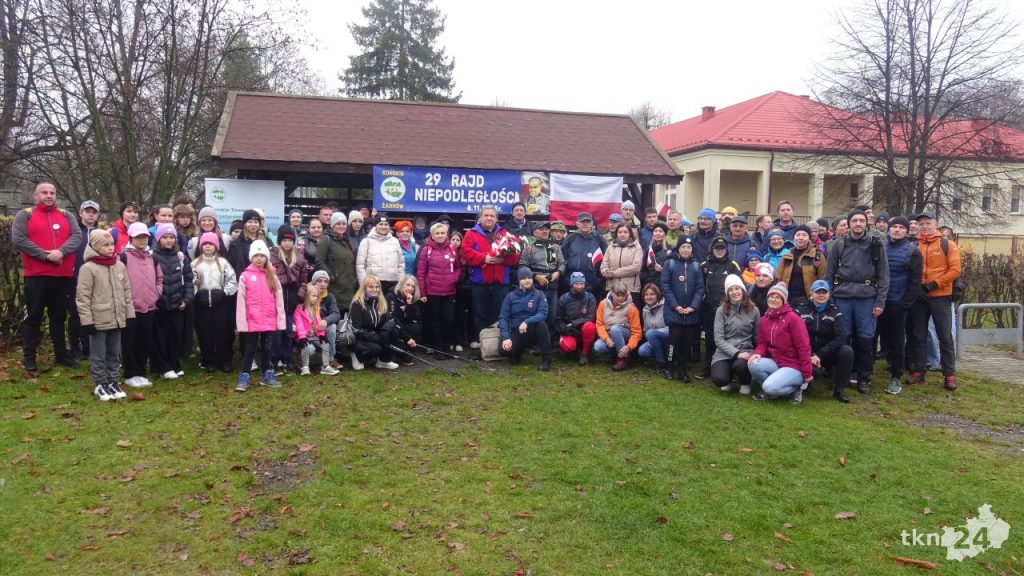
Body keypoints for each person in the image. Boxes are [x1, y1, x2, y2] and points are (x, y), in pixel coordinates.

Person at [12, 181, 83, 372]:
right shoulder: (25, 215)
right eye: (44, 192)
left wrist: (60, 252)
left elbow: (76, 237)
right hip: (36, 275)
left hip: (62, 275)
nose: (49, 196)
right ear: (35, 195)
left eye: (52, 192)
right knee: (33, 317)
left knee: (58, 317)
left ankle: (61, 355)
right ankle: (30, 358)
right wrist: (45, 255)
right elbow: (19, 239)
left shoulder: (66, 215)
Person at [826, 208, 889, 393]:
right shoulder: (838, 245)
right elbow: (829, 274)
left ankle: (864, 378)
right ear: (849, 224)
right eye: (854, 221)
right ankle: (842, 377)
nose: (858, 224)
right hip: (842, 298)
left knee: (865, 339)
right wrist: (830, 299)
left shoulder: (876, 244)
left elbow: (884, 275)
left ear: (866, 223)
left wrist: (880, 302)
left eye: (861, 220)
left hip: (867, 298)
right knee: (843, 339)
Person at [76, 230, 133, 401]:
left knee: (114, 352)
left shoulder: (119, 265)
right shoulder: (88, 268)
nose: (110, 248)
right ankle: (100, 383)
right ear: (95, 247)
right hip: (98, 319)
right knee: (99, 354)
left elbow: (126, 291)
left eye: (112, 244)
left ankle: (113, 381)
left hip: (117, 318)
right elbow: (83, 297)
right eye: (105, 245)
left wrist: (129, 314)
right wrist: (87, 321)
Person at [908, 211, 961, 390]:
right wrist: (917, 288)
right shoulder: (914, 245)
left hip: (941, 297)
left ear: (935, 224)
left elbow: (955, 270)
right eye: (921, 223)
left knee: (944, 336)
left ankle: (949, 375)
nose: (924, 226)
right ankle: (919, 371)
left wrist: (935, 284)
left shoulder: (948, 244)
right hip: (920, 298)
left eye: (927, 223)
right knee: (918, 335)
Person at [462, 206, 522, 346]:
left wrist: (503, 259)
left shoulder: (505, 234)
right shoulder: (471, 234)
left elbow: (515, 257)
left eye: (492, 216)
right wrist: (484, 258)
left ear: (496, 219)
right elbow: (466, 252)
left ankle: (499, 343)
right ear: (480, 218)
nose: (489, 218)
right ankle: (482, 343)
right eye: (486, 215)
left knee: (500, 313)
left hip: (500, 283)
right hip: (480, 283)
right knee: (479, 313)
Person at [877, 216, 922, 395]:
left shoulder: (912, 252)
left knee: (896, 340)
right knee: (870, 338)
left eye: (901, 227)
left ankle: (896, 376)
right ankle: (864, 373)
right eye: (894, 226)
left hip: (898, 304)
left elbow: (915, 282)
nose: (897, 230)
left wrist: (905, 304)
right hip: (878, 301)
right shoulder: (880, 247)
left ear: (906, 231)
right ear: (889, 229)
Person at [748, 283, 813, 403]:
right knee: (753, 363)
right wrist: (757, 353)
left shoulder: (793, 319)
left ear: (784, 300)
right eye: (771, 296)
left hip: (793, 365)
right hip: (776, 362)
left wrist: (807, 372)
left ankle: (795, 388)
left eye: (777, 297)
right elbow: (762, 343)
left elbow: (803, 347)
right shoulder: (764, 319)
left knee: (769, 387)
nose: (773, 299)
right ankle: (773, 389)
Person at [236, 240, 286, 390]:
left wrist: (279, 319)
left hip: (269, 319)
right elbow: (241, 301)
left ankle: (267, 374)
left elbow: (278, 299)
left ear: (266, 257)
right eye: (256, 255)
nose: (259, 259)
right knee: (250, 348)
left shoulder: (272, 276)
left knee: (267, 347)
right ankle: (244, 376)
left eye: (262, 255)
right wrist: (242, 322)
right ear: (251, 257)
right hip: (252, 319)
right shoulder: (245, 276)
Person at [796, 280, 855, 403]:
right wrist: (809, 355)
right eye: (818, 292)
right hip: (806, 352)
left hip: (826, 353)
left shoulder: (836, 312)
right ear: (811, 293)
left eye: (824, 292)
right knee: (815, 372)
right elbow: (795, 335)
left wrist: (820, 354)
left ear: (829, 294)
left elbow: (841, 337)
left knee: (847, 351)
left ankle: (839, 390)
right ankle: (805, 384)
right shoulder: (800, 310)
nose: (821, 295)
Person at [119, 223, 161, 387]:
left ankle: (141, 372)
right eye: (138, 237)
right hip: (130, 307)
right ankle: (130, 373)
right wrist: (125, 300)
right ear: (131, 238)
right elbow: (118, 280)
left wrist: (156, 293)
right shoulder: (124, 257)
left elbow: (159, 278)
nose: (142, 240)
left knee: (144, 340)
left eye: (144, 237)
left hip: (149, 306)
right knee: (129, 341)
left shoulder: (152, 257)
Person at [151, 223, 194, 380]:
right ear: (158, 239)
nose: (168, 240)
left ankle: (174, 363)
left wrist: (186, 299)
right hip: (159, 305)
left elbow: (188, 280)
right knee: (161, 337)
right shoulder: (152, 256)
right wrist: (153, 300)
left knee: (176, 336)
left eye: (171, 237)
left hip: (177, 304)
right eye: (165, 237)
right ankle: (163, 367)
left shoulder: (181, 257)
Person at [192, 232, 238, 373]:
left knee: (223, 333)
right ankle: (209, 360)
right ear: (201, 246)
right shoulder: (195, 264)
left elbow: (232, 280)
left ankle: (225, 360)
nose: (208, 246)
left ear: (216, 246)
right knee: (205, 333)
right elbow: (189, 282)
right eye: (205, 244)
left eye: (211, 244)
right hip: (202, 304)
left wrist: (224, 292)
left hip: (220, 303)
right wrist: (196, 288)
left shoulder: (223, 263)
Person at [696, 236, 742, 379]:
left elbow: (738, 287)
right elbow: (699, 286)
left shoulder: (733, 265)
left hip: (727, 309)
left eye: (722, 248)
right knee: (710, 338)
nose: (720, 251)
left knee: (727, 338)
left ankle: (729, 367)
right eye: (717, 248)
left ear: (726, 250)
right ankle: (708, 366)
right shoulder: (704, 265)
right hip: (708, 309)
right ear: (712, 249)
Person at [661, 234, 705, 382]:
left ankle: (682, 368)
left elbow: (700, 288)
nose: (686, 250)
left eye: (689, 247)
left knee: (687, 342)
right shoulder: (670, 263)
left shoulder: (696, 265)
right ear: (678, 248)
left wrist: (693, 307)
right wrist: (675, 306)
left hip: (691, 313)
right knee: (673, 340)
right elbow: (665, 286)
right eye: (683, 247)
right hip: (674, 312)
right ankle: (669, 366)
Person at [416, 221, 461, 355]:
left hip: (449, 292)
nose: (440, 235)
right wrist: (422, 293)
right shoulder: (426, 250)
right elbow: (420, 273)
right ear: (432, 235)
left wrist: (454, 278)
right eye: (437, 233)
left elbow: (459, 268)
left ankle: (446, 347)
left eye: (442, 233)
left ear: (446, 235)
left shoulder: (452, 249)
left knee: (448, 320)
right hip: (432, 292)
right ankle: (438, 348)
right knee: (435, 322)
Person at [712, 274, 759, 394]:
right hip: (724, 352)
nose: (734, 292)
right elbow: (718, 339)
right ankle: (728, 377)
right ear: (727, 293)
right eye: (731, 290)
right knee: (719, 379)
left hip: (745, 350)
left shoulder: (754, 310)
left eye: (737, 288)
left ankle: (745, 382)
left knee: (740, 366)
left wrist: (756, 353)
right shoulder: (721, 310)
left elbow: (757, 336)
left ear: (742, 290)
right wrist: (736, 353)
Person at [498, 268, 552, 370]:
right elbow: (503, 318)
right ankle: (517, 353)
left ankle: (546, 359)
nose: (527, 280)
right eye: (523, 278)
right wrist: (505, 337)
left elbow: (543, 313)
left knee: (542, 325)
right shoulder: (510, 296)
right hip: (516, 330)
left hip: (532, 330)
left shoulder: (539, 294)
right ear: (519, 280)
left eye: (529, 278)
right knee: (503, 351)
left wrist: (527, 322)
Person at [69, 199, 102, 360]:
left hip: (96, 279)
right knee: (76, 315)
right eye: (87, 211)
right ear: (80, 213)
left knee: (93, 313)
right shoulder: (74, 233)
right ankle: (74, 347)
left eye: (94, 212)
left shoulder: (101, 234)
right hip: (75, 279)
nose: (90, 215)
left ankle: (89, 346)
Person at [520, 220, 565, 331]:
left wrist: (558, 272)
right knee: (537, 315)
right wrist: (536, 276)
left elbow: (562, 263)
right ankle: (536, 339)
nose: (545, 231)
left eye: (546, 229)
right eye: (541, 229)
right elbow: (522, 267)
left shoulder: (556, 247)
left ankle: (550, 339)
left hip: (553, 286)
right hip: (536, 287)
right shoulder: (529, 248)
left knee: (552, 315)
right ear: (535, 232)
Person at [350, 274, 400, 370]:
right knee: (376, 348)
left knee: (394, 332)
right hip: (361, 338)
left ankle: (383, 361)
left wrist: (384, 331)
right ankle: (357, 356)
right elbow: (356, 329)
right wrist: (375, 337)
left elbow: (390, 319)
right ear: (364, 288)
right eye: (371, 287)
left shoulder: (381, 301)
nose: (374, 289)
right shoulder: (357, 304)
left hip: (376, 334)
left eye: (377, 287)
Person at [593, 282, 643, 371]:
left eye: (623, 295)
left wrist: (629, 347)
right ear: (612, 293)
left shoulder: (631, 308)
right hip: (609, 336)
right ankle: (616, 354)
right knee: (598, 346)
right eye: (618, 295)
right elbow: (599, 324)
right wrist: (606, 338)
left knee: (615, 329)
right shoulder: (603, 304)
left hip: (625, 335)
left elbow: (637, 332)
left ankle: (623, 359)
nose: (621, 298)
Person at [775, 224, 827, 308]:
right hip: (789, 298)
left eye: (804, 235)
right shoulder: (787, 255)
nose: (800, 238)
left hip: (808, 298)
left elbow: (822, 278)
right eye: (798, 235)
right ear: (794, 238)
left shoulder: (817, 256)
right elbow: (778, 277)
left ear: (809, 237)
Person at [560, 212, 607, 296]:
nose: (585, 224)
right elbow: (562, 259)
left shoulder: (599, 239)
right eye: (582, 222)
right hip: (572, 283)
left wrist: (599, 281)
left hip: (594, 285)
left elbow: (606, 260)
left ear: (592, 223)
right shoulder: (570, 238)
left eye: (588, 221)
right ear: (577, 224)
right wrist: (566, 279)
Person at [294, 283, 336, 376]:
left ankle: (325, 366)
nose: (316, 298)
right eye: (313, 296)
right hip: (303, 336)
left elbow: (319, 323)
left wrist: (321, 335)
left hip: (314, 336)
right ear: (306, 296)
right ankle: (305, 367)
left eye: (317, 296)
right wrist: (302, 337)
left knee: (325, 344)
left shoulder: (316, 309)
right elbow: (299, 325)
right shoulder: (299, 309)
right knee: (306, 346)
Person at [557, 271, 598, 365]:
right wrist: (565, 329)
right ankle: (574, 351)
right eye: (576, 283)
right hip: (569, 329)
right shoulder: (564, 298)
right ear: (572, 284)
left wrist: (574, 323)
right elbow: (558, 318)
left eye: (581, 283)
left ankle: (585, 354)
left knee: (590, 326)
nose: (579, 286)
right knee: (568, 347)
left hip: (583, 329)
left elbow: (591, 317)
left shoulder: (590, 297)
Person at [600, 222, 643, 309]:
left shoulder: (637, 247)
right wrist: (605, 272)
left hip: (630, 289)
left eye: (625, 232)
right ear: (616, 234)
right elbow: (604, 264)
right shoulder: (610, 247)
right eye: (620, 232)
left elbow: (636, 267)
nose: (622, 234)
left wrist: (614, 273)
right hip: (612, 288)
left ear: (630, 233)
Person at [357, 213, 404, 293]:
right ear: (376, 225)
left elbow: (401, 264)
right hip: (373, 284)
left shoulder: (395, 241)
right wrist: (364, 284)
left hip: (392, 283)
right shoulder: (366, 241)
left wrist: (400, 283)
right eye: (380, 224)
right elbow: (360, 266)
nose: (383, 227)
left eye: (386, 224)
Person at [387, 275, 424, 365]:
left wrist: (409, 305)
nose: (410, 288)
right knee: (395, 331)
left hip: (403, 327)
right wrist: (408, 338)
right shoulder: (391, 296)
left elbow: (416, 319)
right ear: (401, 285)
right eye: (408, 285)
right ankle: (398, 353)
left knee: (416, 327)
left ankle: (403, 351)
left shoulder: (410, 298)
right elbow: (393, 319)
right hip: (392, 326)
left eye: (413, 286)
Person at [637, 283, 670, 375]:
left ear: (657, 295)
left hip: (668, 338)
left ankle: (661, 363)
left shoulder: (666, 306)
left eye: (652, 294)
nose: (649, 297)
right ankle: (661, 356)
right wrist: (651, 339)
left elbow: (671, 327)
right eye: (646, 295)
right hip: (653, 337)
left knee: (651, 333)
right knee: (642, 351)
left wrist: (654, 333)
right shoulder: (645, 310)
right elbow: (645, 329)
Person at [227, 209, 264, 276]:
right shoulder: (235, 245)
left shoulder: (264, 241)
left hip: (261, 279)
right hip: (243, 279)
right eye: (250, 222)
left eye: (256, 222)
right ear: (244, 224)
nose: (253, 224)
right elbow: (232, 267)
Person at [640, 222, 671, 288]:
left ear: (665, 234)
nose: (658, 233)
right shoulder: (648, 249)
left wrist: (662, 270)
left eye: (661, 231)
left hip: (663, 286)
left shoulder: (670, 250)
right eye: (656, 231)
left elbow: (674, 270)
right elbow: (643, 269)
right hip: (649, 286)